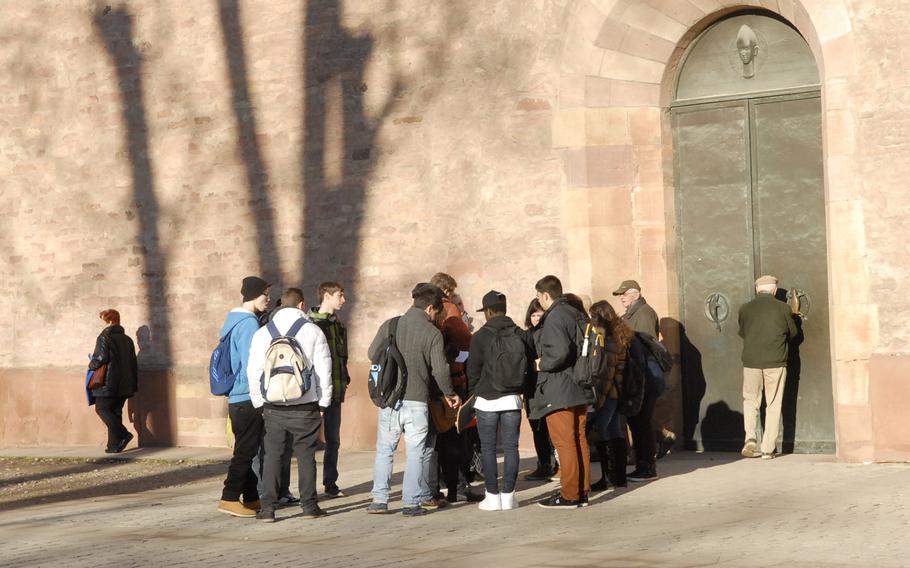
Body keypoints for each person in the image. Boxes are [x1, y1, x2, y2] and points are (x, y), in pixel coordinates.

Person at [367, 283, 460, 517]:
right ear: (430, 308)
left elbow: (372, 353)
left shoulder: (391, 324)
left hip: (389, 399)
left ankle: (379, 499)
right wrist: (449, 393)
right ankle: (410, 502)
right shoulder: (431, 333)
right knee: (416, 451)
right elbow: (440, 370)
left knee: (385, 450)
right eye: (436, 312)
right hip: (417, 400)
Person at [247, 287, 333, 522]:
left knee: (273, 456)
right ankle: (309, 506)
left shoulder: (263, 333)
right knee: (306, 456)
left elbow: (254, 370)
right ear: (302, 305)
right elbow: (323, 369)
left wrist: (258, 401)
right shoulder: (313, 331)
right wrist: (324, 402)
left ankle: (267, 509)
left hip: (272, 405)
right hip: (305, 404)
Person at [530, 275, 595, 509]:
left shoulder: (555, 316)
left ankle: (569, 494)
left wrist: (541, 364)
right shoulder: (575, 312)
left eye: (539, 297)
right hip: (580, 385)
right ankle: (581, 491)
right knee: (579, 440)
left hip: (560, 388)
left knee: (565, 443)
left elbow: (558, 353)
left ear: (546, 295)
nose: (539, 301)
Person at [466, 290, 535, 511]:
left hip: (486, 399)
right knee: (511, 447)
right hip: (512, 398)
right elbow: (531, 367)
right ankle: (509, 496)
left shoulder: (479, 337)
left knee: (488, 448)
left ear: (488, 311)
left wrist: (474, 394)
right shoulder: (521, 334)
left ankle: (492, 496)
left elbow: (473, 371)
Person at [217, 276, 269, 518]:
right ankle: (229, 498)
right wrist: (262, 394)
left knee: (247, 447)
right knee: (246, 451)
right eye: (264, 294)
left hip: (236, 397)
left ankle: (251, 497)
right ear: (253, 295)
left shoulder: (234, 322)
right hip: (247, 396)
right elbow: (253, 364)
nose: (268, 299)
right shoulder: (248, 324)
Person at [613, 279, 676, 466]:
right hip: (634, 371)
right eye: (620, 295)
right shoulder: (632, 314)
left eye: (625, 294)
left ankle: (645, 456)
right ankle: (651, 445)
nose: (622, 298)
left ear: (636, 294)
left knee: (640, 415)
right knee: (637, 414)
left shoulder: (644, 313)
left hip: (641, 372)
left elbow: (645, 343)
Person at [428, 272, 479, 503]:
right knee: (454, 436)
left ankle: (433, 489)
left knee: (434, 439)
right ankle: (457, 486)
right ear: (447, 291)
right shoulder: (449, 309)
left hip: (428, 384)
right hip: (451, 379)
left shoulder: (424, 310)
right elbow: (463, 340)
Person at [738, 275, 799, 460]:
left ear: (757, 290)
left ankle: (750, 438)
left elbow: (742, 332)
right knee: (773, 404)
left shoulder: (745, 309)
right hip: (775, 361)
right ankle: (767, 449)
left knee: (750, 401)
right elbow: (793, 333)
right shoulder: (783, 308)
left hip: (751, 362)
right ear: (773, 291)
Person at [309, 281, 351, 498]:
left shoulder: (338, 326)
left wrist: (344, 379)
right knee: (307, 443)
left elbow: (342, 357)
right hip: (312, 394)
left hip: (335, 391)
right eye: (340, 295)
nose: (343, 300)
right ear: (327, 296)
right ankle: (308, 488)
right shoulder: (309, 324)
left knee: (333, 440)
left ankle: (330, 483)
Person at [588, 301, 632, 490]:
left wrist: (599, 396)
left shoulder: (605, 338)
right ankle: (619, 477)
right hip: (617, 391)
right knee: (615, 431)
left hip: (607, 392)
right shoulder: (620, 333)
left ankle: (608, 477)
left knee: (601, 432)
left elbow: (605, 371)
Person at [88, 309, 138, 454]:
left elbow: (100, 358)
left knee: (102, 409)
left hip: (108, 383)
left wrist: (91, 364)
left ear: (109, 321)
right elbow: (133, 362)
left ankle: (123, 434)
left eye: (103, 321)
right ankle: (114, 445)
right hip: (124, 384)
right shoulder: (128, 340)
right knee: (115, 412)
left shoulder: (105, 337)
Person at [522, 298, 556, 481]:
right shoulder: (527, 335)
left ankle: (556, 464)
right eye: (533, 314)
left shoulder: (551, 333)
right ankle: (544, 464)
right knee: (537, 428)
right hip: (531, 387)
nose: (536, 318)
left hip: (548, 386)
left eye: (539, 314)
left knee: (552, 427)